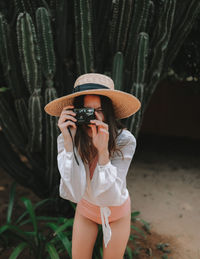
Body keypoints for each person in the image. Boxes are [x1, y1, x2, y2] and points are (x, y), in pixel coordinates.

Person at [44, 73, 141, 259]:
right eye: (86, 111)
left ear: (109, 112)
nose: (92, 117)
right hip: (86, 209)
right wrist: (68, 142)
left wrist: (103, 152)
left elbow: (108, 196)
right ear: (75, 111)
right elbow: (72, 193)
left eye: (99, 110)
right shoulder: (66, 139)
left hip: (117, 212)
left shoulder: (124, 140)